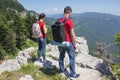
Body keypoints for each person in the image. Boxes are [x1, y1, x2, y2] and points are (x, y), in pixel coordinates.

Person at [58, 6, 80, 78]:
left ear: (64, 12)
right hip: (68, 42)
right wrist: (75, 44)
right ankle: (73, 74)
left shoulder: (59, 20)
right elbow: (72, 34)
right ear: (70, 12)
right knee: (72, 58)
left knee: (61, 56)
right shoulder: (69, 21)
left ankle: (61, 70)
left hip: (60, 42)